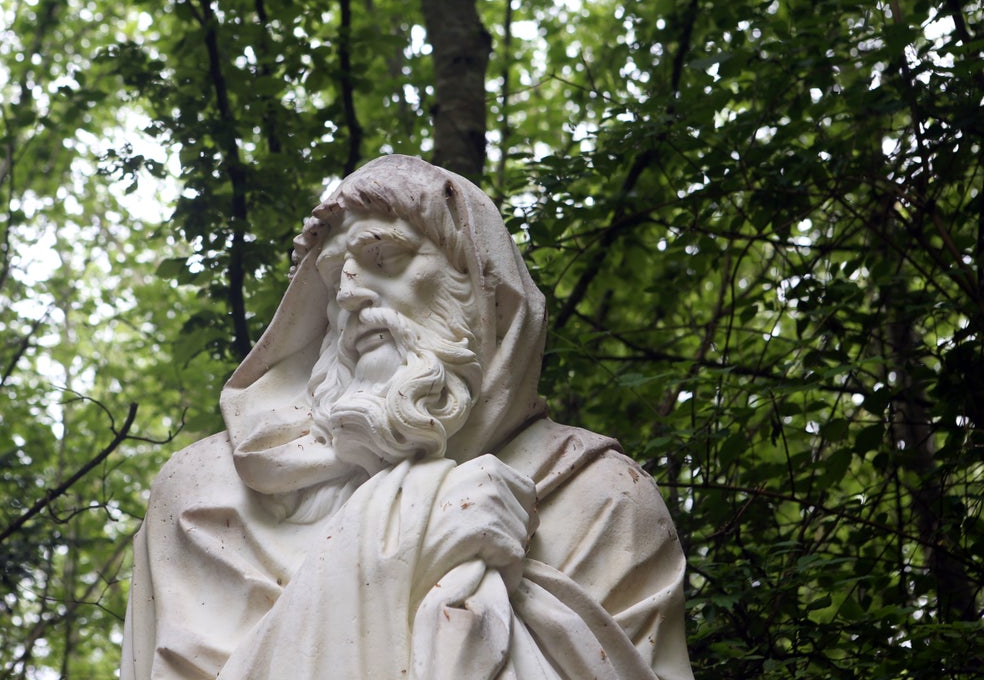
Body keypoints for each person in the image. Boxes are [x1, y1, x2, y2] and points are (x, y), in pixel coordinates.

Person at [121, 155, 693, 680]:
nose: (348, 295)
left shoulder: (603, 498)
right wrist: (415, 530)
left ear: (481, 283)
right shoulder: (207, 497)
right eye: (331, 276)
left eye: (383, 257)